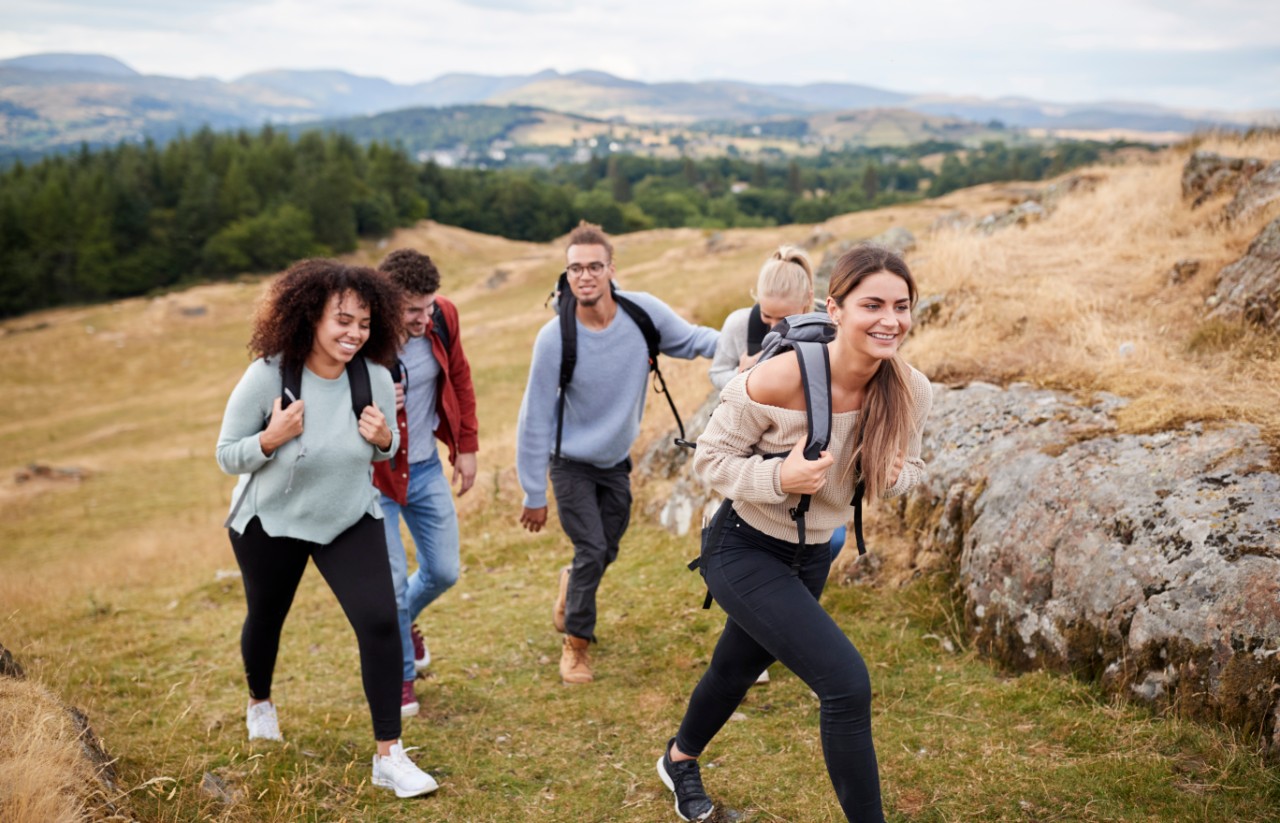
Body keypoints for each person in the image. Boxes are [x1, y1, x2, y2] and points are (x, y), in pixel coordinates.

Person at [657, 245, 933, 822]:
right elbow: (709, 460)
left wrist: (896, 476)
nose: (890, 319)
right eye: (872, 304)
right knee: (846, 683)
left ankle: (679, 759)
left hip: (811, 557)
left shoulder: (910, 389)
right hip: (742, 544)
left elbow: (913, 469)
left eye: (901, 306)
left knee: (734, 668)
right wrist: (778, 474)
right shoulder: (779, 377)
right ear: (835, 309)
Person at [215, 259, 437, 798]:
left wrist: (386, 438)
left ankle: (389, 755)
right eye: (342, 320)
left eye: (363, 323)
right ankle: (260, 702)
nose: (354, 333)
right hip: (272, 521)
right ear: (310, 315)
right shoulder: (268, 375)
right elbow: (226, 456)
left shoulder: (376, 378)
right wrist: (269, 439)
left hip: (348, 517)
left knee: (382, 622)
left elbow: (387, 449)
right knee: (266, 618)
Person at [516, 221, 719, 685]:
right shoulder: (555, 338)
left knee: (604, 548)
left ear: (610, 268)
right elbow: (534, 420)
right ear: (566, 275)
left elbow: (693, 340)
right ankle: (576, 645)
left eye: (593, 266)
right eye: (574, 269)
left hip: (614, 463)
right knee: (591, 548)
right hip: (569, 463)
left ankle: (572, 588)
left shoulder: (641, 314)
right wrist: (533, 491)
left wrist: (748, 349)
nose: (584, 276)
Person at [372, 249, 479, 719]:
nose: (424, 317)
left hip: (425, 467)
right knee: (391, 586)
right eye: (413, 310)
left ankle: (404, 622)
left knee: (443, 571)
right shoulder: (364, 337)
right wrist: (374, 396)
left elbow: (459, 375)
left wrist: (466, 445)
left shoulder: (442, 318)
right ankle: (399, 678)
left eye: (429, 305)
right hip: (373, 478)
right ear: (386, 302)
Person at [708, 244, 816, 391]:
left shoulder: (826, 332)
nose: (774, 328)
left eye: (784, 319)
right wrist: (742, 374)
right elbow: (717, 373)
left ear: (808, 298)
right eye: (766, 315)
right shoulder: (739, 323)